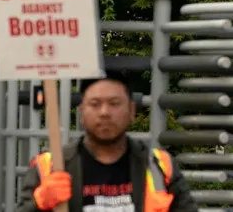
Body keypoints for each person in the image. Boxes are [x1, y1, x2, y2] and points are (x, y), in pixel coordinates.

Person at [16, 75, 197, 212]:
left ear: (131, 110)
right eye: (95, 104)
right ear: (81, 113)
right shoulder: (50, 166)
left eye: (114, 103)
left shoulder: (160, 167)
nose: (104, 112)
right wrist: (38, 203)